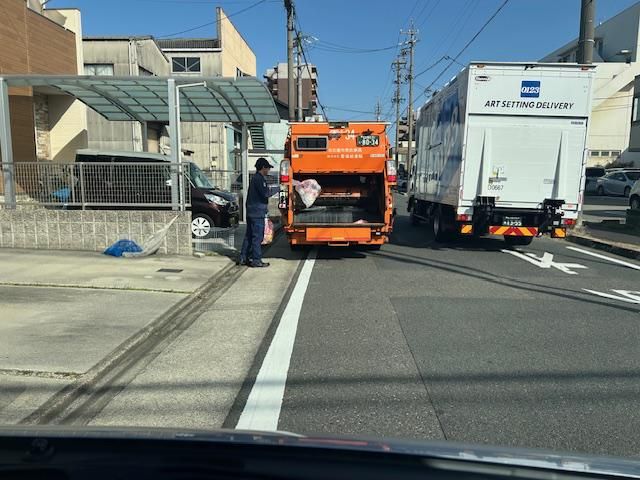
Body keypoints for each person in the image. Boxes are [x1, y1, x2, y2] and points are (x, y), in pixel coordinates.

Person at [237, 157, 277, 268]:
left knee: (249, 236)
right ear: (263, 167)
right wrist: (278, 188)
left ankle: (243, 258)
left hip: (251, 211)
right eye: (268, 168)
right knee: (257, 237)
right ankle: (256, 260)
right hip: (257, 212)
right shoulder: (259, 179)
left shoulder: (255, 178)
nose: (268, 170)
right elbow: (265, 193)